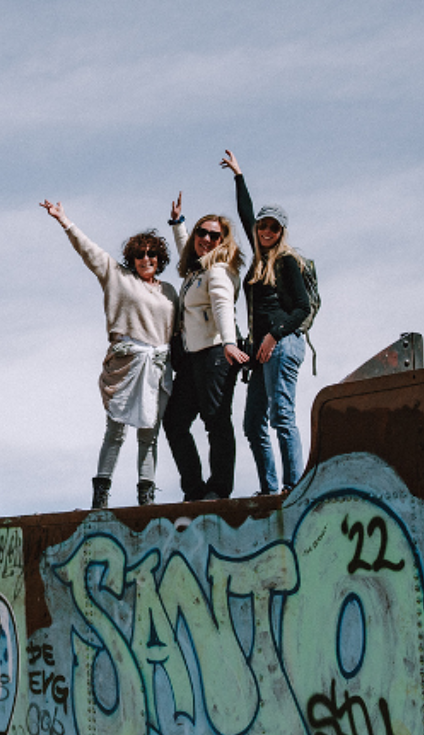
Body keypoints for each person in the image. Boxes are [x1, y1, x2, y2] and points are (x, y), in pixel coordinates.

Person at [40, 199, 178, 508]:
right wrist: (65, 220)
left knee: (149, 434)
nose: (146, 258)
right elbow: (89, 251)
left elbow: (180, 329)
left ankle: (146, 496)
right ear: (132, 258)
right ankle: (101, 495)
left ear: (159, 258)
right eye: (140, 254)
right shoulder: (118, 277)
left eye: (152, 254)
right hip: (127, 364)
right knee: (115, 430)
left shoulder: (169, 291)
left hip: (157, 366)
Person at [223, 150, 315, 495]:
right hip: (262, 351)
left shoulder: (287, 262)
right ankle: (269, 488)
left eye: (273, 227)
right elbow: (246, 212)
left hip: (282, 343)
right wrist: (238, 176)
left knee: (281, 416)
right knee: (252, 424)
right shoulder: (260, 258)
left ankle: (294, 487)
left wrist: (274, 336)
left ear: (281, 231)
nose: (265, 231)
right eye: (262, 226)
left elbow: (301, 309)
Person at [163, 196, 248, 500]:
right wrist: (178, 224)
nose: (207, 239)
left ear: (223, 241)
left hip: (216, 354)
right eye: (202, 232)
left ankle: (219, 488)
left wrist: (228, 342)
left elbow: (223, 305)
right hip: (191, 359)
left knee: (216, 421)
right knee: (174, 421)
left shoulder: (219, 270)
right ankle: (194, 489)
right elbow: (188, 246)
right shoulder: (196, 271)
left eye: (215, 235)